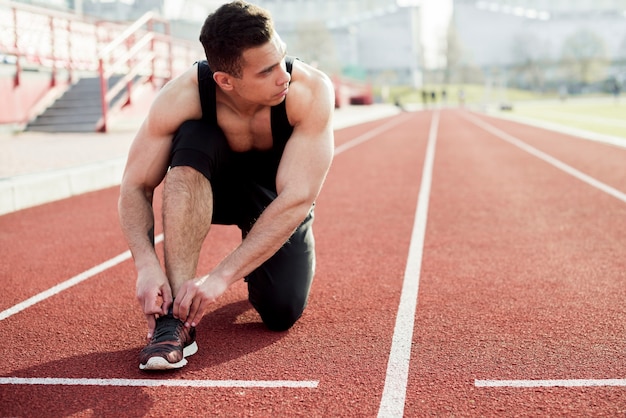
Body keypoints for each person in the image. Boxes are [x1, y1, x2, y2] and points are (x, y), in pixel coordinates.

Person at [118, 0, 334, 371]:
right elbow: (135, 186)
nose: (283, 75)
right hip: (206, 191)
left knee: (282, 310)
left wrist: (221, 277)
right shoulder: (182, 96)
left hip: (274, 201)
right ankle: (174, 322)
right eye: (266, 71)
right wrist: (145, 264)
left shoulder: (309, 91)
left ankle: (254, 252)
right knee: (194, 138)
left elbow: (298, 198)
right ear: (225, 81)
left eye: (281, 58)